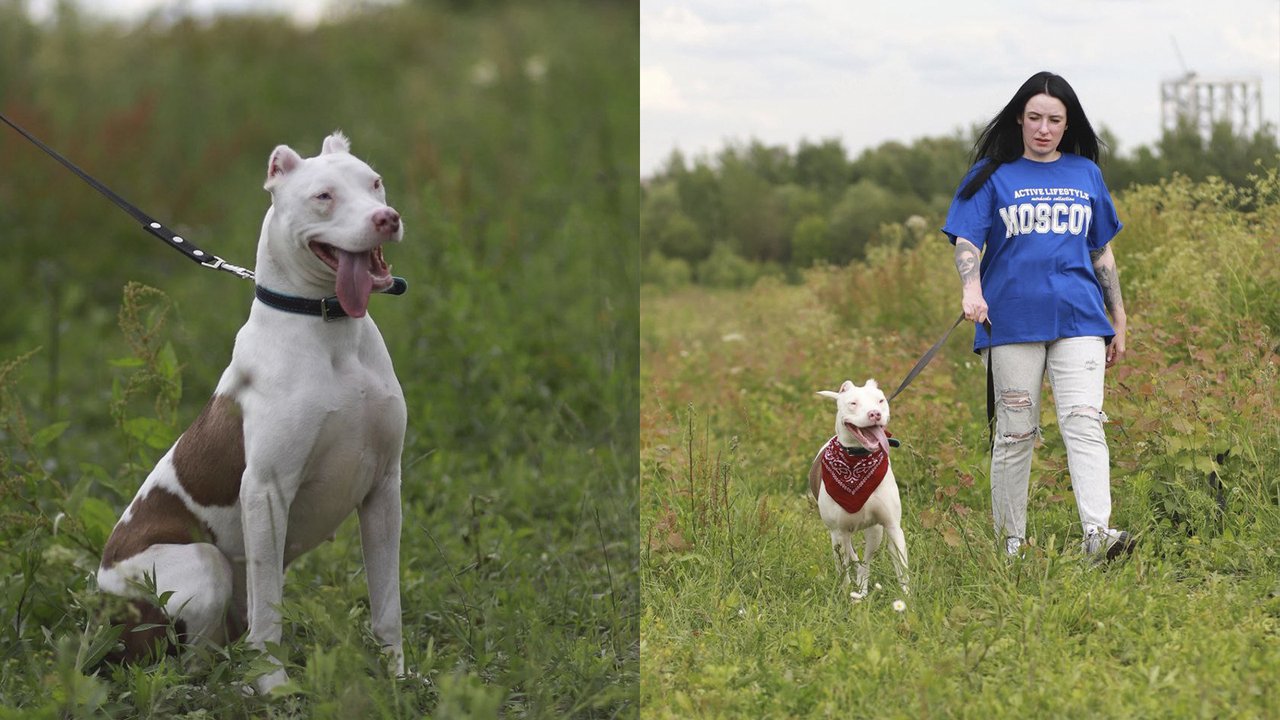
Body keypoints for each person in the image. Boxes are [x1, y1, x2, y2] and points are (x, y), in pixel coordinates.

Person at [941, 71, 1133, 561]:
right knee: (1015, 432)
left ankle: (1098, 535)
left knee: (1085, 422)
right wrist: (971, 288)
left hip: (1080, 319)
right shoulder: (990, 175)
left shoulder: (1085, 174)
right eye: (1034, 118)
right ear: (1019, 119)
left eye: (1054, 120)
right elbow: (967, 241)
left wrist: (1120, 315)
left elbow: (1102, 253)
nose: (1043, 128)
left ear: (1067, 126)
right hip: (1011, 322)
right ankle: (1012, 543)